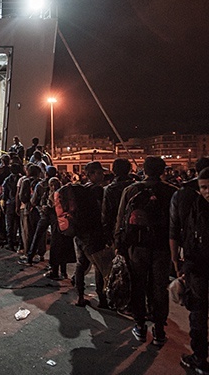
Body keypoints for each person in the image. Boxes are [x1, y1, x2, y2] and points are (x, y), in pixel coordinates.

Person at [115, 156, 177, 345]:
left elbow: (121, 219)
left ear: (144, 169)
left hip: (137, 245)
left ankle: (140, 326)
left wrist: (119, 244)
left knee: (138, 285)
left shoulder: (132, 190)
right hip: (162, 247)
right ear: (163, 170)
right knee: (159, 287)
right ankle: (159, 330)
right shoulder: (172, 192)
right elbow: (177, 222)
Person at [174, 167, 209, 374]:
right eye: (203, 187)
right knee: (198, 314)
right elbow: (189, 239)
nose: (207, 191)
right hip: (198, 270)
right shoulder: (196, 208)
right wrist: (185, 267)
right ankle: (199, 357)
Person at [73, 161, 114, 308]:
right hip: (93, 234)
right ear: (91, 174)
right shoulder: (98, 190)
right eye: (99, 172)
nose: (103, 175)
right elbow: (102, 213)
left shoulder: (82, 189)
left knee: (81, 264)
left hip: (80, 234)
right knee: (100, 267)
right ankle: (102, 299)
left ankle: (80, 296)